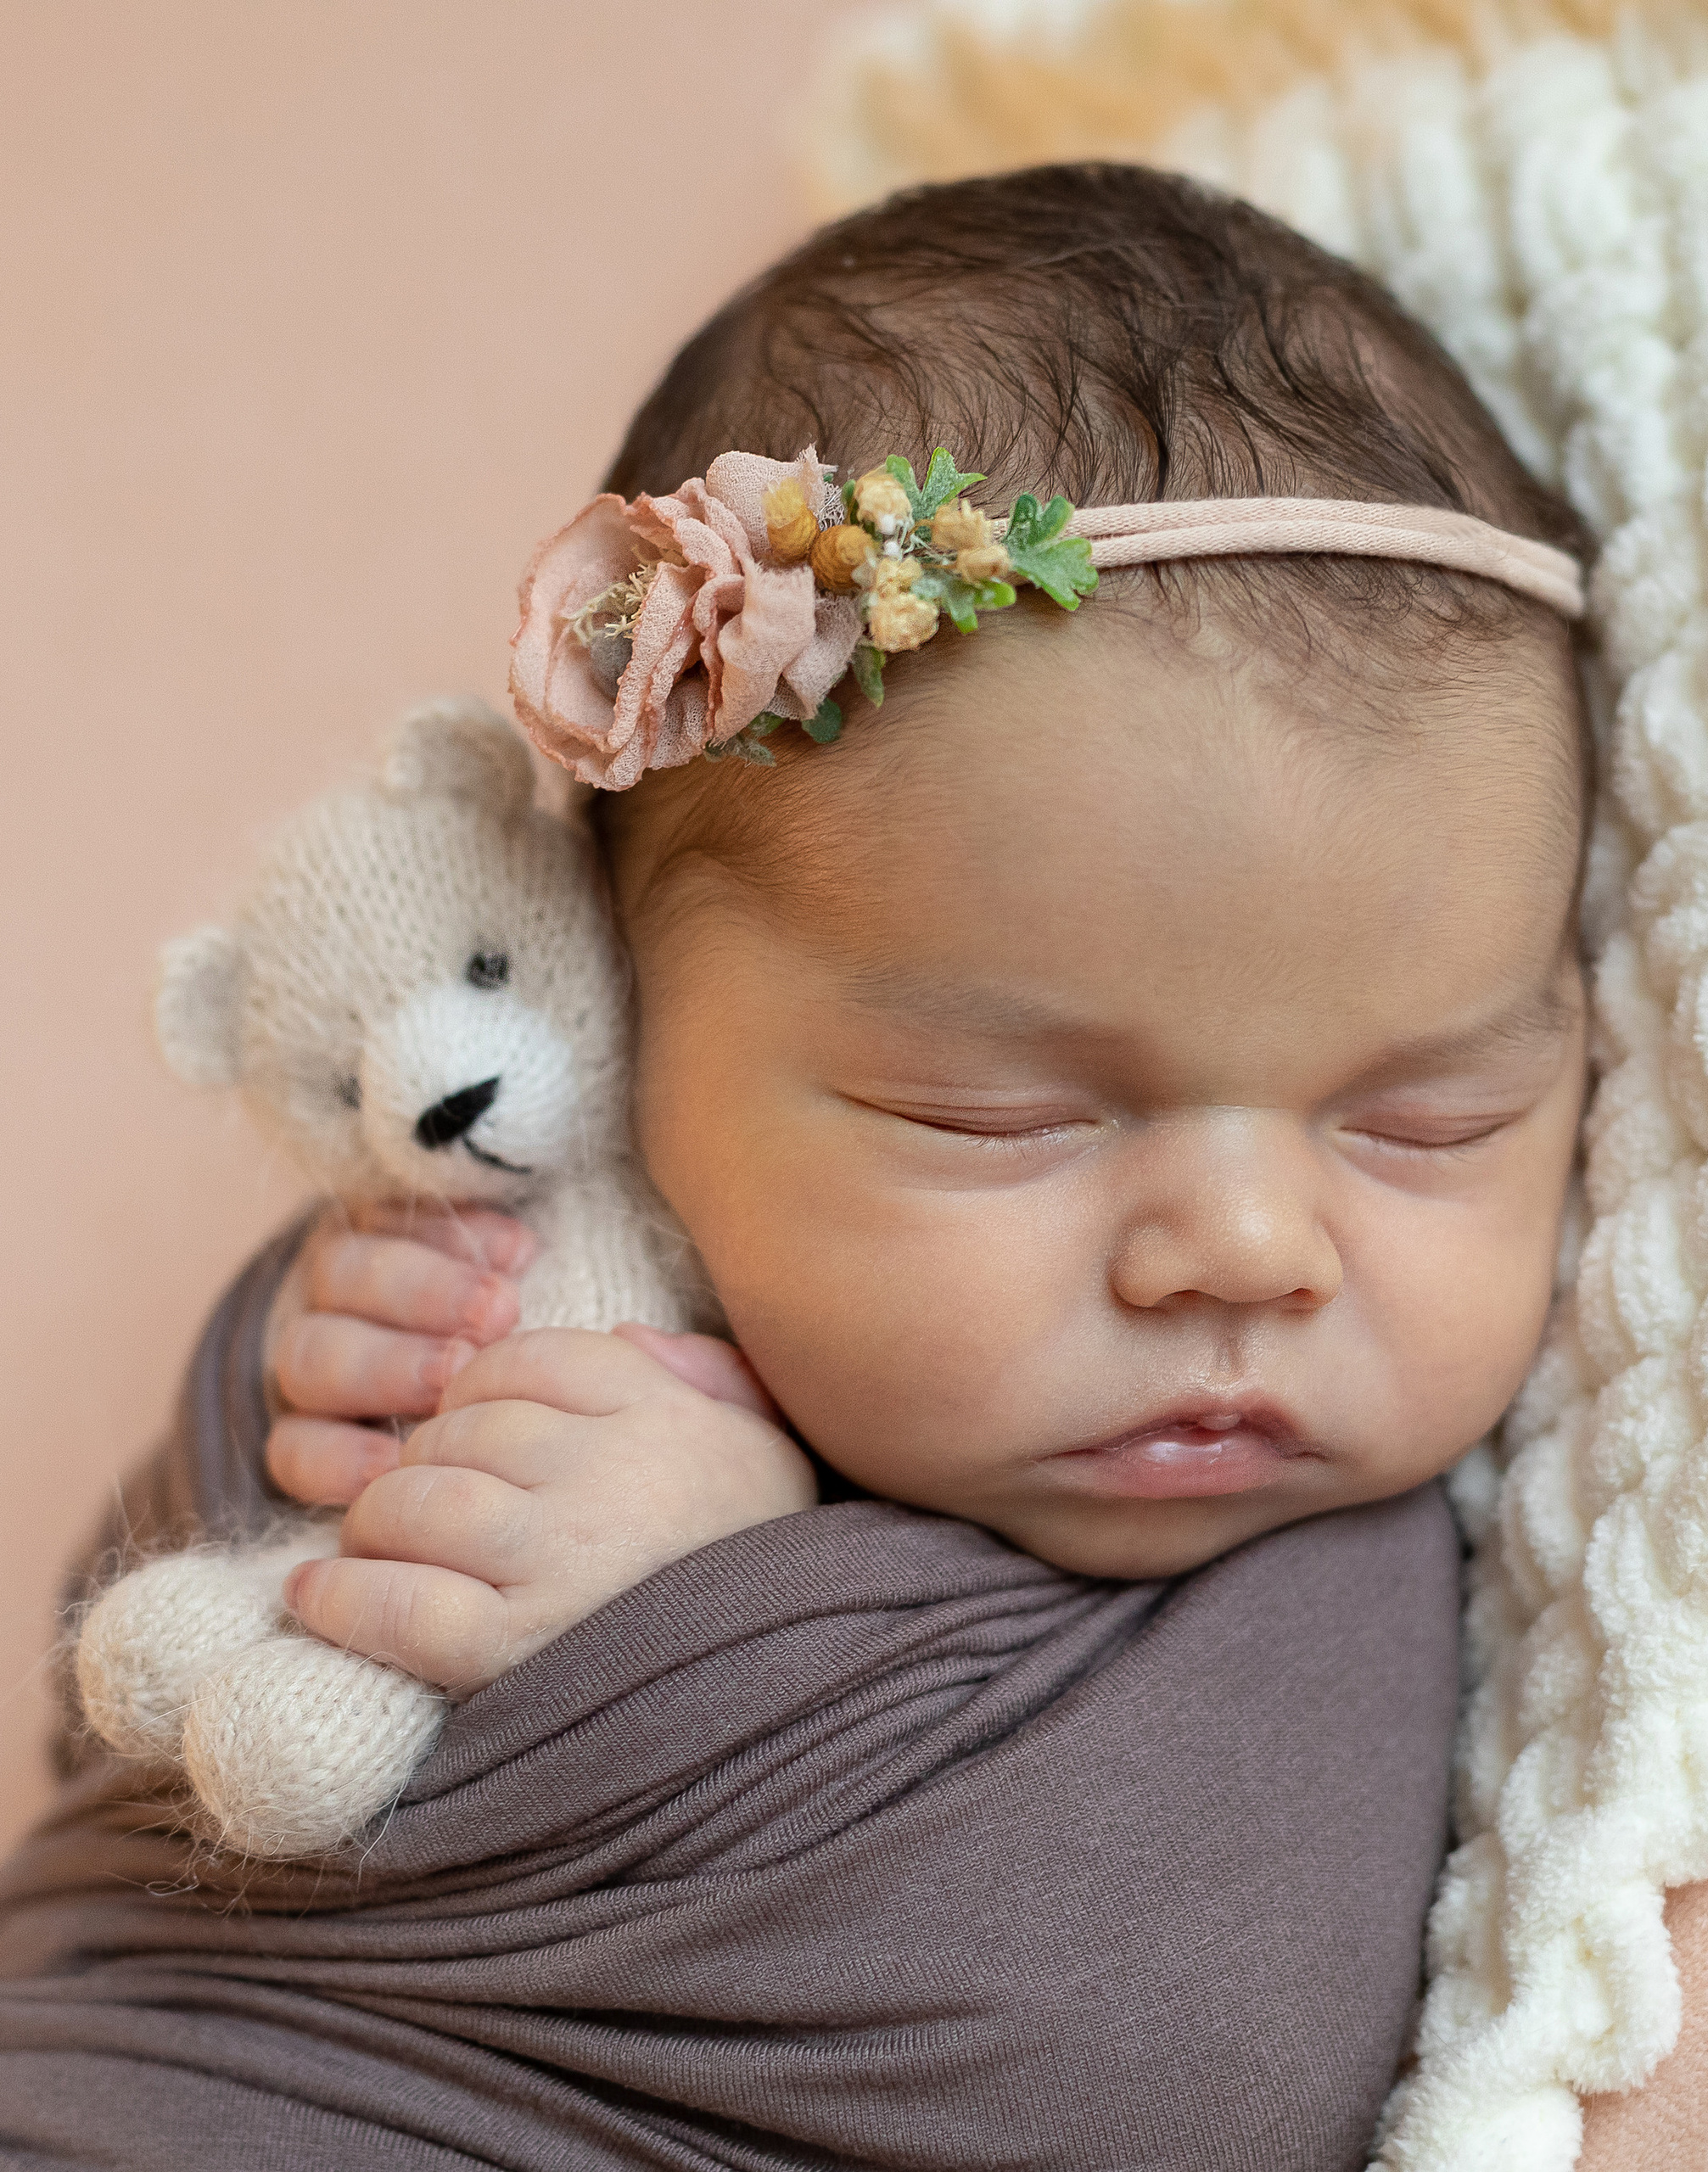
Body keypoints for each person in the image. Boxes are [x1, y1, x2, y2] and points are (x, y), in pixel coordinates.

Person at [0, 164, 1590, 2170]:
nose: (1248, 1247)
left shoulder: (1372, 1579)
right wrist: (320, 1412)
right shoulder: (496, 1297)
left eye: (1420, 1122)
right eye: (995, 1118)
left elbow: (1150, 2062)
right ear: (631, 1024)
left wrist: (721, 1607)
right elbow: (129, 1749)